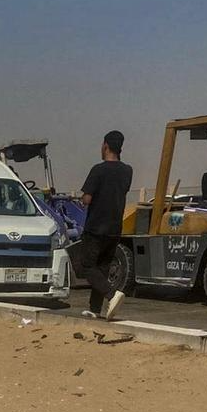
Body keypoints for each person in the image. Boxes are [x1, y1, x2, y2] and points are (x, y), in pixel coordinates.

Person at [79, 130, 133, 320]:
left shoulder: (98, 170)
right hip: (114, 228)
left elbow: (87, 199)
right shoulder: (127, 171)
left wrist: (82, 198)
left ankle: (112, 294)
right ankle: (95, 309)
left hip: (96, 227)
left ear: (105, 146)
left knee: (87, 266)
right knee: (102, 268)